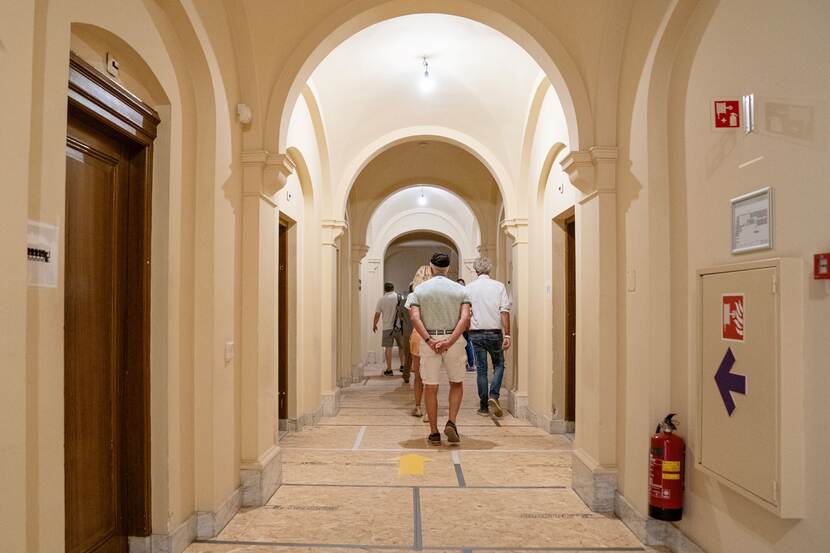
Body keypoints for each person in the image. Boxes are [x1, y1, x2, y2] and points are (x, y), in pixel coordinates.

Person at [407, 253, 471, 446]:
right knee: (457, 383)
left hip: (429, 342)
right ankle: (451, 421)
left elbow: (415, 318)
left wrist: (429, 340)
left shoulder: (419, 291)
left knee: (430, 387)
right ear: (449, 268)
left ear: (431, 267)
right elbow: (465, 318)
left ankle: (434, 432)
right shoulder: (460, 290)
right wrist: (450, 341)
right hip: (454, 340)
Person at [465, 257, 511, 417]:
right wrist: (508, 334)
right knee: (499, 364)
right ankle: (494, 396)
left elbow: (465, 313)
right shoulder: (498, 286)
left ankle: (484, 407)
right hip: (494, 333)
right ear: (489, 269)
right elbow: (504, 311)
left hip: (476, 333)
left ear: (476, 270)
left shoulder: (469, 288)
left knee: (482, 370)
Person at [407, 265, 433, 417]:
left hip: (417, 335)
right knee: (431, 375)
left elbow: (414, 319)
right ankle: (430, 410)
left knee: (418, 375)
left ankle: (418, 407)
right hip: (433, 334)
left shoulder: (413, 296)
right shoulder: (437, 295)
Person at [373, 282, 408, 380]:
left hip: (387, 328)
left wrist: (374, 324)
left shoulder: (381, 300)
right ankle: (402, 366)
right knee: (402, 347)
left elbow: (377, 314)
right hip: (399, 327)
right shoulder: (399, 297)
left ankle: (389, 369)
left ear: (384, 289)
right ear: (393, 288)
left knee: (388, 348)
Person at [457, 277, 476, 372]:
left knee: (467, 343)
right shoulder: (467, 294)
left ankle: (470, 364)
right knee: (467, 343)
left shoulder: (457, 295)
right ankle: (470, 364)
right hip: (463, 323)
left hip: (462, 324)